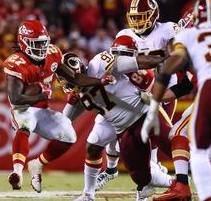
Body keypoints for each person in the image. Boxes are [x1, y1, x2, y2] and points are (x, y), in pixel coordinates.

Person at [4, 19, 115, 193]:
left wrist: (99, 81)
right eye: (36, 43)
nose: (41, 48)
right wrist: (42, 94)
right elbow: (16, 98)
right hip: (23, 109)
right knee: (25, 126)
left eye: (43, 43)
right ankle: (17, 172)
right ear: (24, 42)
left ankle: (37, 164)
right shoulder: (16, 62)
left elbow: (75, 78)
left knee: (69, 135)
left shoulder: (53, 53)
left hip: (43, 110)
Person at [61, 36, 173, 201]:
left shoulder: (99, 64)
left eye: (68, 79)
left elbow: (134, 63)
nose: (67, 84)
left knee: (177, 148)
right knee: (138, 175)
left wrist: (164, 60)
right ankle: (90, 193)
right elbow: (63, 122)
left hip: (142, 113)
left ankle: (187, 178)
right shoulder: (79, 95)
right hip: (119, 125)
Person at [96, 0, 180, 191]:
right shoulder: (124, 34)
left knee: (156, 138)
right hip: (135, 93)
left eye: (142, 17)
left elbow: (180, 51)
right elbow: (116, 65)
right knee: (122, 135)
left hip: (163, 90)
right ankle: (134, 174)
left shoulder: (167, 29)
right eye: (134, 18)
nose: (137, 22)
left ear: (154, 15)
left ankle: (162, 178)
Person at [141, 0, 211, 200]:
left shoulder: (189, 36)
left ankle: (182, 187)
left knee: (181, 135)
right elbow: (184, 87)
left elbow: (168, 71)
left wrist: (154, 100)